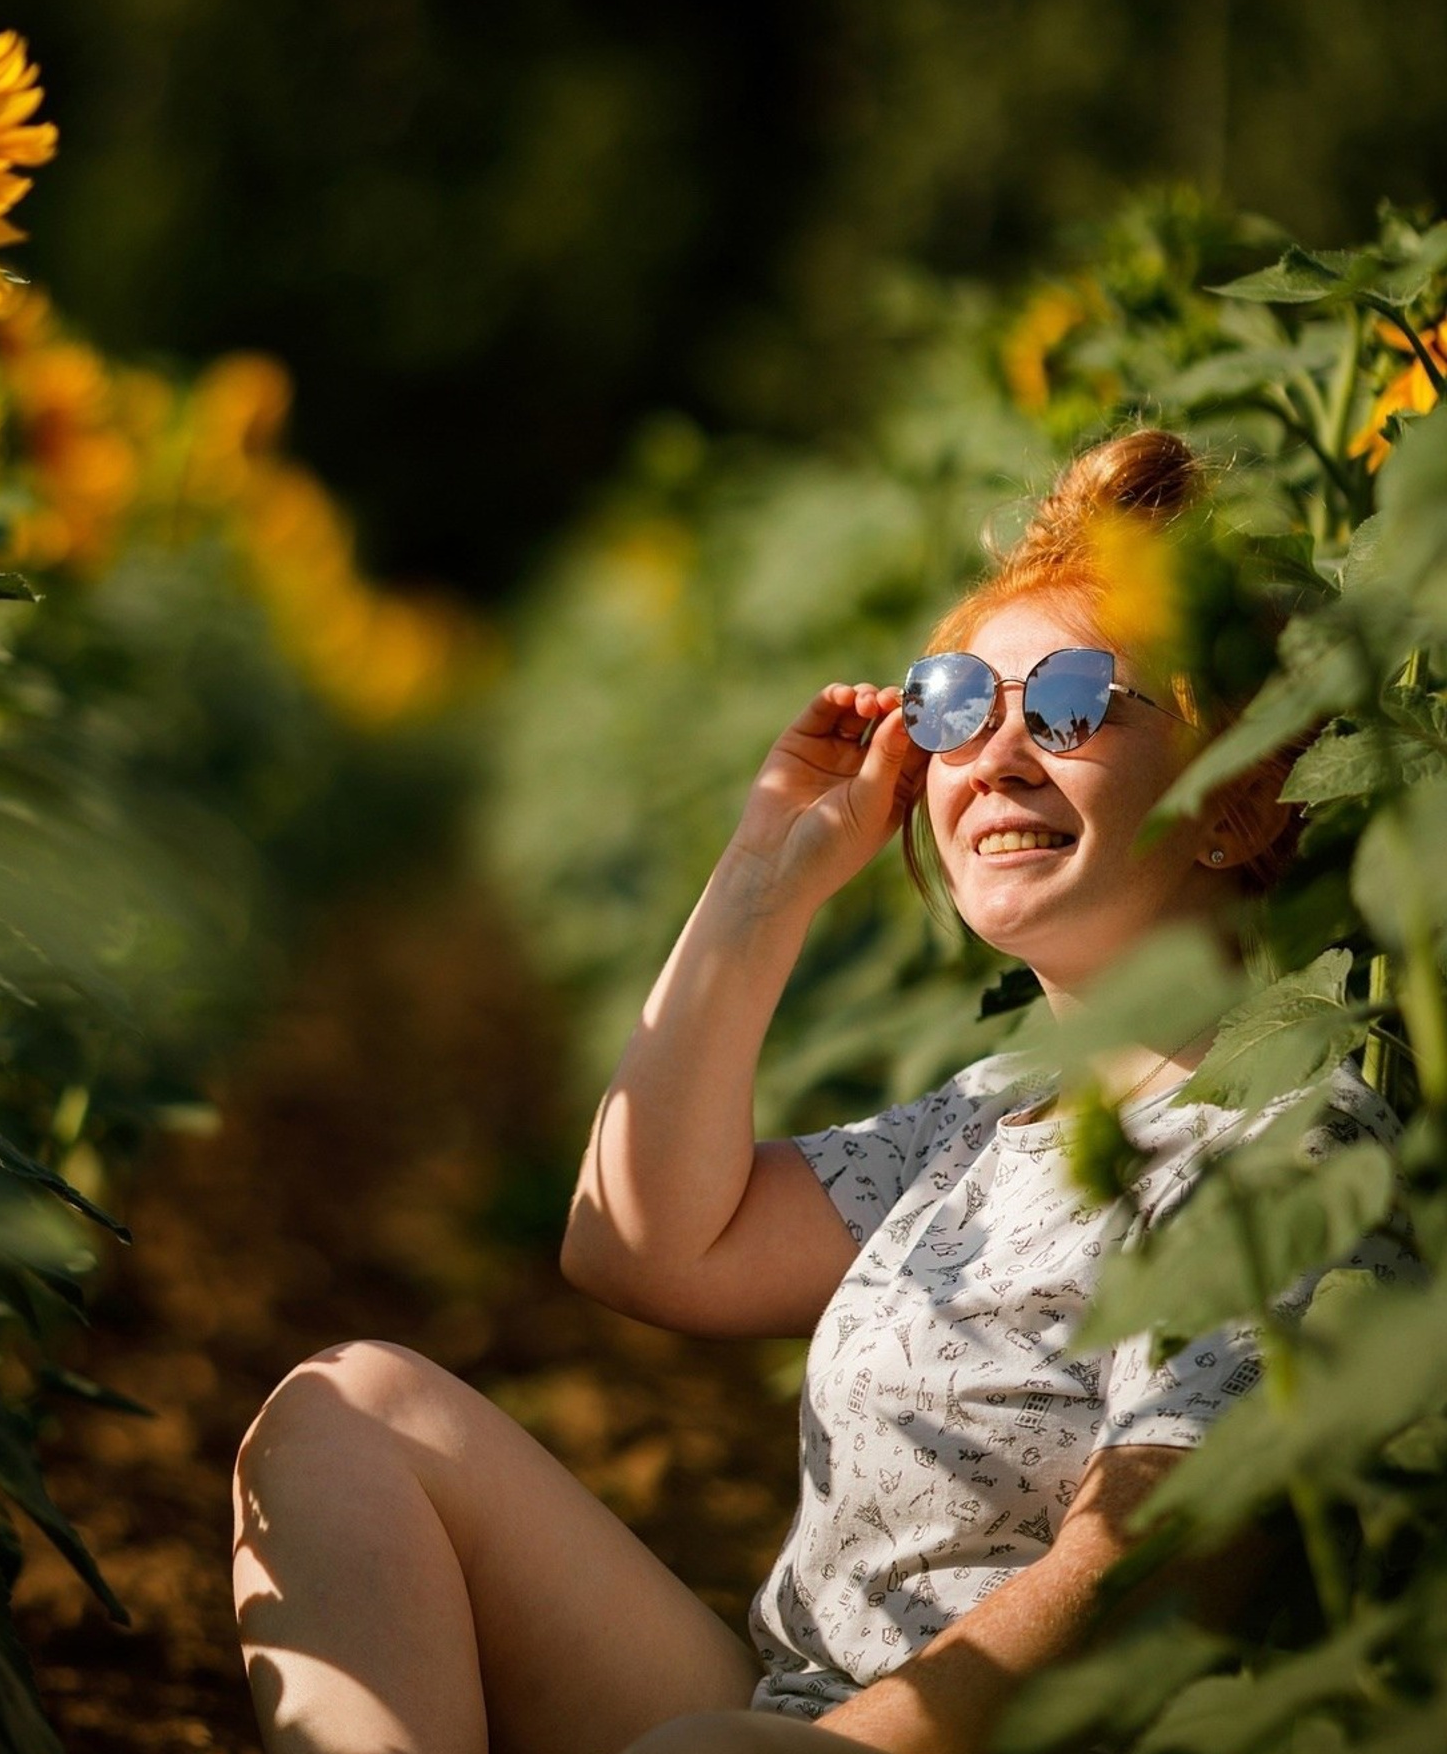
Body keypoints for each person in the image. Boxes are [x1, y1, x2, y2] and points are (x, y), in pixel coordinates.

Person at [230, 428, 1417, 1754]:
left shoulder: (1280, 1144)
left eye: (1077, 701)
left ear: (1237, 803)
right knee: (352, 1411)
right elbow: (638, 1244)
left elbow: (1144, 1568)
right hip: (791, 1717)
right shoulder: (996, 1113)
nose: (999, 752)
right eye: (958, 707)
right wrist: (766, 875)